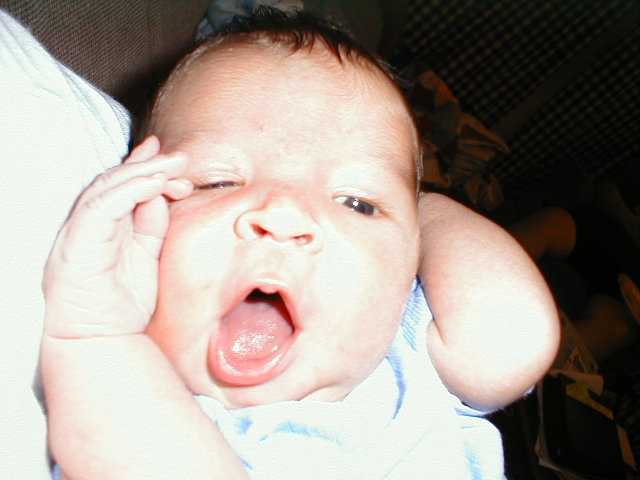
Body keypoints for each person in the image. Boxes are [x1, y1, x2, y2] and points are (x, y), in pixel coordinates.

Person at [1, 8, 558, 480]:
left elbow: (514, 342)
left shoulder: (402, 361)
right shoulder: (133, 400)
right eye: (219, 181)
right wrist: (97, 335)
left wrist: (421, 208)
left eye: (357, 203)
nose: (285, 216)